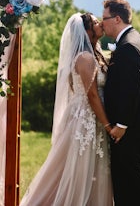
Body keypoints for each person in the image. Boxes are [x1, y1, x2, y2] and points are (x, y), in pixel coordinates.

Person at [20, 12, 114, 206]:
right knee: (78, 170)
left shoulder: (93, 54)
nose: (101, 24)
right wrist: (107, 125)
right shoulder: (85, 58)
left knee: (92, 170)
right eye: (96, 22)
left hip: (91, 116)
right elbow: (92, 95)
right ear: (87, 31)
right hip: (86, 120)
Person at [102, 0, 140, 206]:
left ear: (117, 18)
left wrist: (121, 125)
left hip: (129, 125)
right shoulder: (132, 40)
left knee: (132, 176)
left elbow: (130, 89)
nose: (102, 23)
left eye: (105, 18)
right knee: (129, 176)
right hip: (131, 123)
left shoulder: (128, 46)